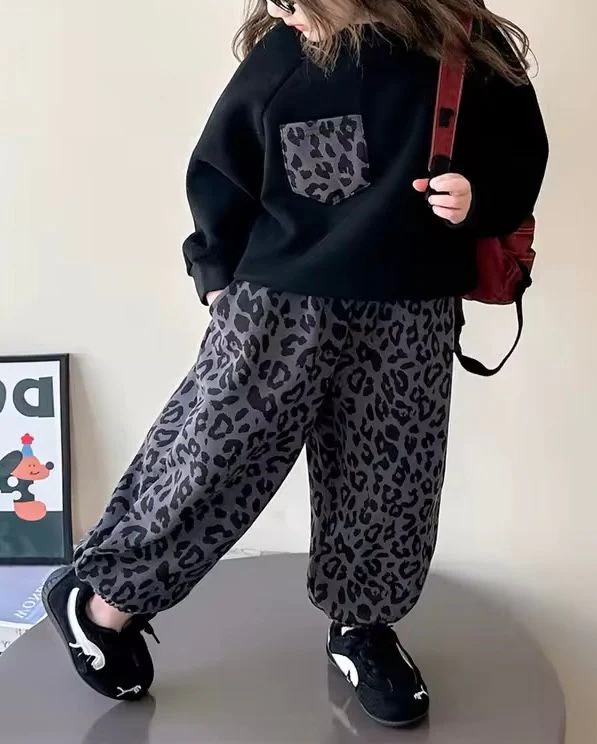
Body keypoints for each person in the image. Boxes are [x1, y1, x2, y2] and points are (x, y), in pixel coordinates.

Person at [42, 0, 548, 728]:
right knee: (216, 455)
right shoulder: (285, 54)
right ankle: (102, 601)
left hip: (411, 305)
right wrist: (214, 268)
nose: (281, 10)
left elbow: (521, 154)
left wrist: (481, 198)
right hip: (277, 304)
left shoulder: (466, 46)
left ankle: (363, 628)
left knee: (392, 475)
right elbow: (221, 165)